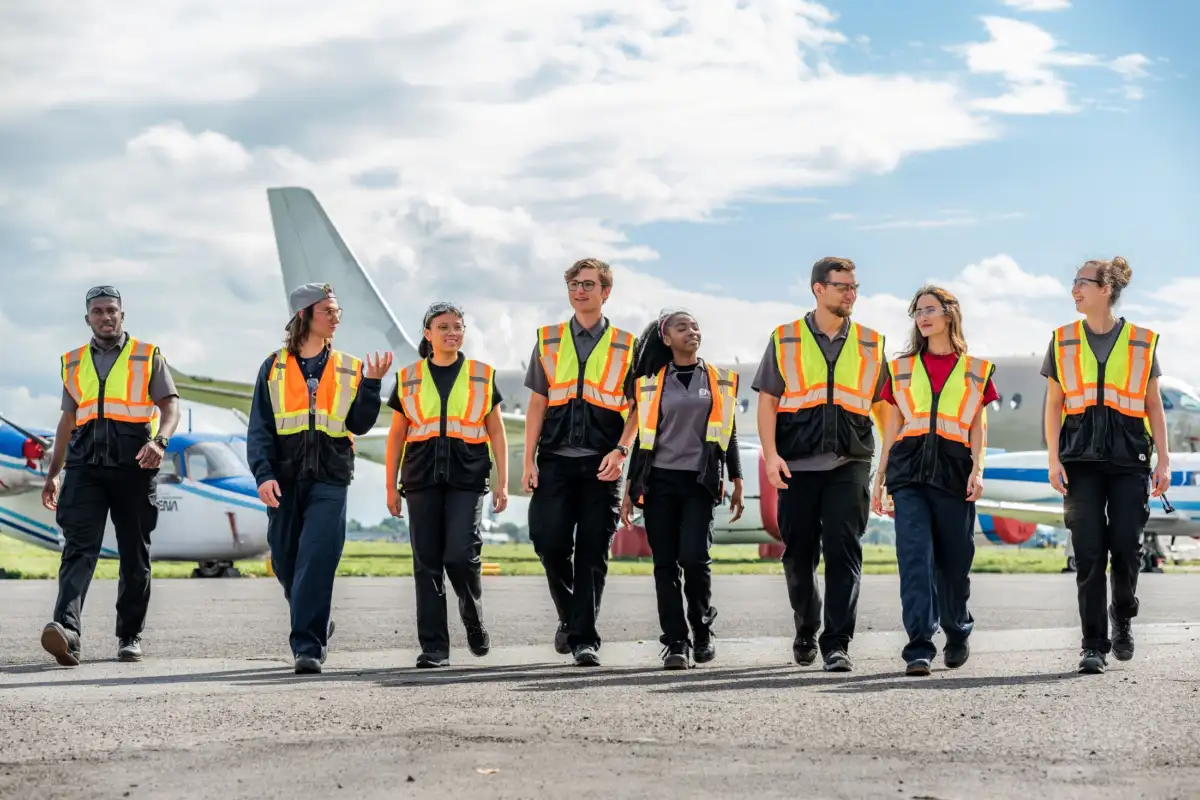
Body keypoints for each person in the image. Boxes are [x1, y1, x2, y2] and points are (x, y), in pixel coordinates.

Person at [752, 257, 890, 672]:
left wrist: (886, 465)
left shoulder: (871, 342)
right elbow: (768, 402)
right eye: (843, 286)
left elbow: (885, 408)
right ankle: (806, 628)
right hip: (796, 463)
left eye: (854, 287)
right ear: (818, 288)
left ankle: (837, 644)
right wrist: (771, 456)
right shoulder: (786, 338)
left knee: (844, 552)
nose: (851, 294)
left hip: (850, 460)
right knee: (798, 555)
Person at [246, 282, 388, 674]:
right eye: (328, 310)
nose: (336, 317)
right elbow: (260, 429)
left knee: (317, 558)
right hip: (285, 478)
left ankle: (307, 647)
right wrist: (263, 474)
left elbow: (359, 423)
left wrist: (372, 384)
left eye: (337, 311)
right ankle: (316, 620)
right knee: (285, 560)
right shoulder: (272, 367)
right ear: (304, 315)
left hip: (331, 477)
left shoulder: (350, 367)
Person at [38, 285, 181, 666]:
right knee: (77, 549)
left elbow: (170, 407)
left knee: (134, 552)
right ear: (87, 318)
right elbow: (68, 420)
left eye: (111, 310)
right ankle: (67, 632)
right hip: (85, 466)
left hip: (135, 465)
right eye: (98, 311)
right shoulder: (72, 362)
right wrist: (54, 473)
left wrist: (160, 442)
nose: (106, 316)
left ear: (122, 314)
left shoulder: (147, 356)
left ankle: (129, 634)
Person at [1042, 256, 1169, 675]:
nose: (1075, 289)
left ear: (1106, 289)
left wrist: (1164, 460)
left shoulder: (1141, 342)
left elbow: (1153, 404)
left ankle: (1123, 615)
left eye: (1083, 282)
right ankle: (1092, 644)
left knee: (1127, 549)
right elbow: (1054, 404)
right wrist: (1053, 458)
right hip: (1080, 460)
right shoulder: (1062, 340)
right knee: (1089, 554)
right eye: (1074, 281)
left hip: (1129, 458)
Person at [871, 286, 998, 676]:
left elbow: (977, 425)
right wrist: (880, 475)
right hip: (908, 471)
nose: (922, 317)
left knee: (954, 564)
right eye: (917, 311)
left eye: (930, 309)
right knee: (914, 559)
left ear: (949, 314)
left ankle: (957, 630)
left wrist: (977, 469)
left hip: (954, 471)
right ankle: (919, 646)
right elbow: (892, 424)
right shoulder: (901, 368)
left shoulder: (976, 369)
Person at [522, 258, 639, 666]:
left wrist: (621, 450)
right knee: (547, 540)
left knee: (592, 552)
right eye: (574, 283)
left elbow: (638, 408)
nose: (579, 290)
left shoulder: (627, 345)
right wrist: (529, 460)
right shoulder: (548, 340)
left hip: (601, 465)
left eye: (588, 284)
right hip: (555, 460)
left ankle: (584, 638)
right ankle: (572, 617)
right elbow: (538, 404)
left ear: (606, 292)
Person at [384, 302, 508, 668]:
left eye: (457, 326)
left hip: (467, 476)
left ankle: (472, 618)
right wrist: (390, 486)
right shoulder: (408, 378)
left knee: (459, 555)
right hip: (421, 477)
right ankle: (435, 648)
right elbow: (396, 435)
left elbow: (496, 431)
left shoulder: (482, 375)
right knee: (426, 563)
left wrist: (501, 481)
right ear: (428, 334)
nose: (451, 332)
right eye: (443, 327)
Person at [620, 309, 744, 669]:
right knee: (665, 565)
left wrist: (736, 478)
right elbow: (642, 441)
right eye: (682, 327)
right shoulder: (649, 383)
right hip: (658, 481)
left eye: (695, 326)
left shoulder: (720, 379)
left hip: (700, 482)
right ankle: (676, 642)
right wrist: (628, 491)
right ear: (666, 338)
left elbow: (729, 432)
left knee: (694, 558)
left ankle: (702, 630)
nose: (692, 331)